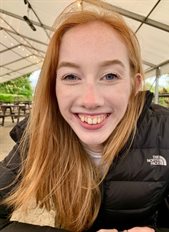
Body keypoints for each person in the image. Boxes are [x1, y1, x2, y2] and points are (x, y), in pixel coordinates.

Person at [0, 0, 169, 232]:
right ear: (53, 86)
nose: (91, 101)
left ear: (134, 85)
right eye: (71, 77)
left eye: (110, 76)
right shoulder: (39, 131)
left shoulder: (164, 132)